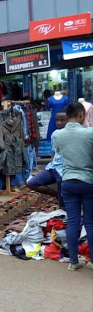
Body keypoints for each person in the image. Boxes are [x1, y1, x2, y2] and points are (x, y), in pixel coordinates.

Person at [53, 102, 93, 271]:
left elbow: (59, 152)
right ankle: (92, 261)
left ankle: (73, 261)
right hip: (87, 181)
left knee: (72, 222)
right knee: (90, 223)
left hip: (68, 181)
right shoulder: (89, 133)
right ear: (81, 115)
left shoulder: (57, 135)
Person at [27, 111, 67, 208]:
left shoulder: (72, 134)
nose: (59, 123)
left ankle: (64, 208)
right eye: (57, 120)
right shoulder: (54, 134)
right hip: (53, 166)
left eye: (62, 120)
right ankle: (56, 195)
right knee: (32, 183)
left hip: (64, 168)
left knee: (63, 190)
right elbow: (53, 151)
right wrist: (51, 162)